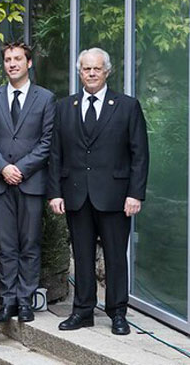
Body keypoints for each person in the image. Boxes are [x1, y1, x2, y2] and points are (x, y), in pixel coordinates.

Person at [47, 48, 149, 336]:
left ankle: (118, 313)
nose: (91, 73)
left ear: (107, 71)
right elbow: (56, 154)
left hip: (116, 197)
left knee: (116, 257)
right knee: (81, 255)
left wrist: (135, 194)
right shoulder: (65, 107)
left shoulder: (127, 106)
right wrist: (55, 192)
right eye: (86, 69)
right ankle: (82, 311)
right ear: (79, 72)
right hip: (76, 195)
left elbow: (139, 154)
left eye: (96, 69)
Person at [0, 42, 55, 324]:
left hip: (31, 182)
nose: (12, 64)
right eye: (8, 59)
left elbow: (47, 141)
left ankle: (25, 300)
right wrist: (3, 168)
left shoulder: (45, 98)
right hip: (0, 182)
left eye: (17, 59)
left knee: (30, 244)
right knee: (7, 245)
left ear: (29, 63)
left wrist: (19, 169)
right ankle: (8, 300)